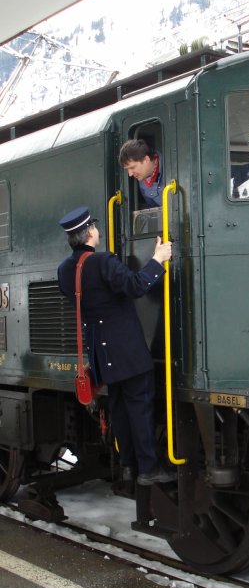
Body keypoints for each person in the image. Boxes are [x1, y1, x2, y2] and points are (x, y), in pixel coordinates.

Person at [57, 206, 175, 485]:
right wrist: (157, 260)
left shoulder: (64, 270)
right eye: (95, 228)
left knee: (120, 409)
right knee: (140, 407)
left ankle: (128, 466)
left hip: (101, 354)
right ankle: (148, 468)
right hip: (127, 351)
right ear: (90, 233)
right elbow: (135, 287)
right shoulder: (103, 262)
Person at [118, 138, 163, 207]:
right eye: (127, 169)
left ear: (146, 160)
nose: (130, 174)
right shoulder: (143, 184)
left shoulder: (172, 165)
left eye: (132, 167)